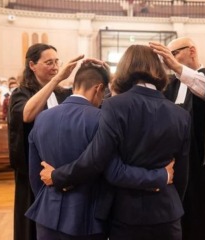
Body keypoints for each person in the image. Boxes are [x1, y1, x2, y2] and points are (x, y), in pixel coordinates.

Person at [40, 45, 191, 239]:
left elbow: (97, 160)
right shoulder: (181, 114)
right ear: (158, 70)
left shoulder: (113, 106)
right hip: (168, 213)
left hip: (126, 214)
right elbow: (182, 174)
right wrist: (165, 186)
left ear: (124, 69)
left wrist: (58, 176)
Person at [149, 37, 205, 240]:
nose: (168, 61)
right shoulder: (170, 85)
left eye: (173, 54)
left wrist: (179, 69)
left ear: (192, 50)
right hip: (174, 170)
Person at [8, 43, 82, 240]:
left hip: (59, 169)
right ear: (32, 65)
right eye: (49, 62)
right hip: (32, 171)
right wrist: (57, 78)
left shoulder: (61, 93)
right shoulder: (21, 93)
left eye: (57, 62)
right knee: (31, 226)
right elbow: (27, 114)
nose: (55, 67)